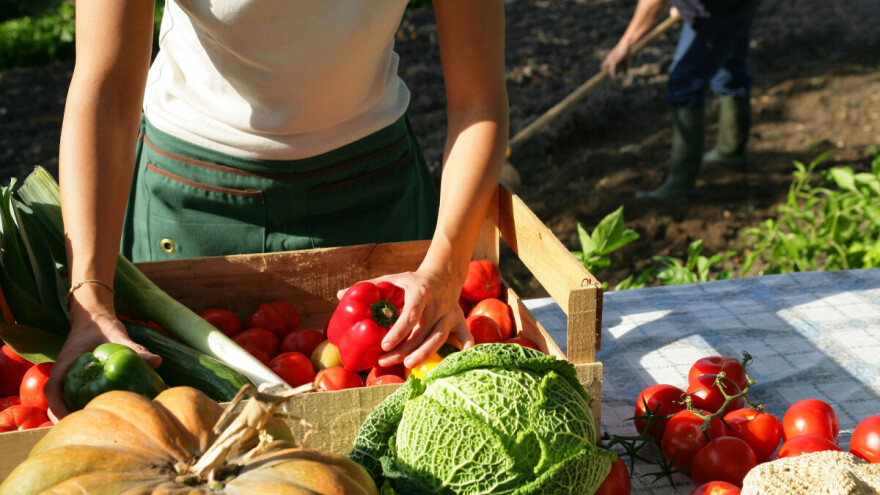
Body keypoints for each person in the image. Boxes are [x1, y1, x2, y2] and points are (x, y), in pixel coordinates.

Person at [45, 0, 508, 419]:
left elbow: (478, 100)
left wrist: (445, 269)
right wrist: (90, 300)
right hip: (193, 200)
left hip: (374, 191)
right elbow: (106, 95)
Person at [602, 0, 759, 198]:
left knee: (685, 84)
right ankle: (731, 152)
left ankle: (681, 184)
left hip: (719, 9)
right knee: (730, 67)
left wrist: (625, 43)